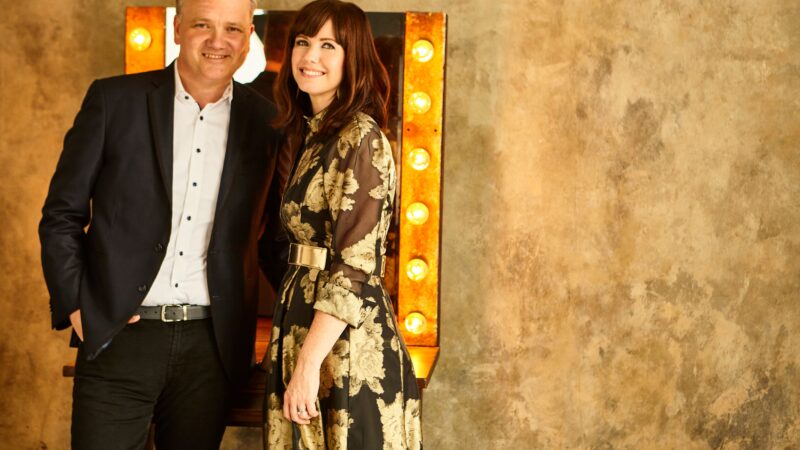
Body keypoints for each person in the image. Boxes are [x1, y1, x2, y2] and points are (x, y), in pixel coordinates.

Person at [38, 0, 283, 448]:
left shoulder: (267, 122)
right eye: (203, 25)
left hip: (212, 348)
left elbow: (273, 238)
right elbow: (61, 215)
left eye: (232, 29)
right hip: (120, 335)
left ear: (248, 37)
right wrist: (77, 306)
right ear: (177, 29)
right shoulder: (114, 101)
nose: (217, 41)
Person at [262, 1, 423, 448]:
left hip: (346, 344)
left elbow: (354, 267)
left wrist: (308, 365)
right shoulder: (314, 136)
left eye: (328, 45)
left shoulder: (361, 137)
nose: (310, 56)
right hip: (303, 324)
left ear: (353, 58)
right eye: (302, 42)